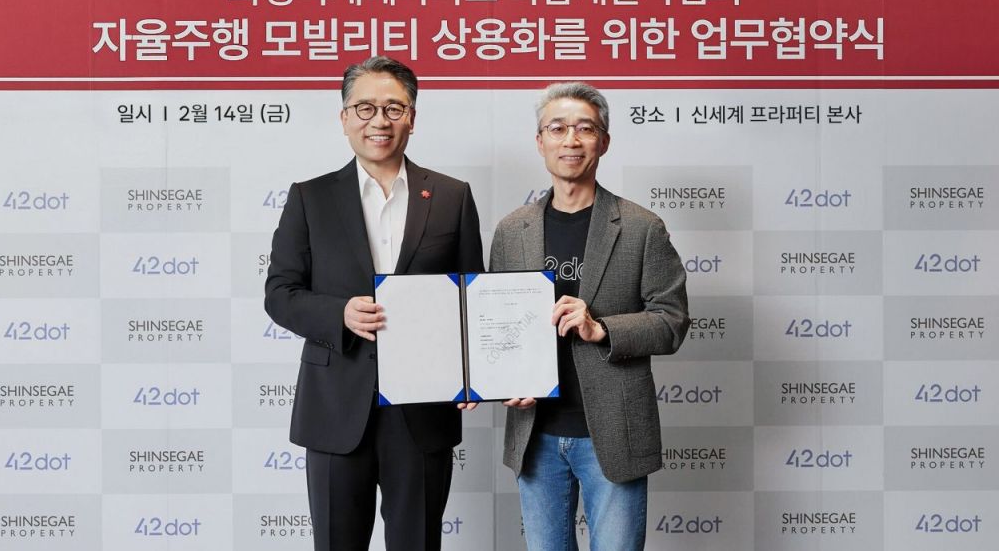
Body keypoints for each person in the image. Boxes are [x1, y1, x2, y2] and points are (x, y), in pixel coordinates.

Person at [264, 55, 484, 551]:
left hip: (424, 410)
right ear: (344, 118)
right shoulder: (310, 198)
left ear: (412, 118)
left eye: (393, 108)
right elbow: (280, 293)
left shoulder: (451, 196)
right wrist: (338, 314)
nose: (379, 121)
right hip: (336, 407)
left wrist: (474, 370)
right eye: (364, 108)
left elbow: (472, 296)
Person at [491, 82, 689, 551]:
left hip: (614, 432)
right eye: (557, 128)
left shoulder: (641, 227)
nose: (571, 140)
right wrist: (500, 379)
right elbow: (495, 322)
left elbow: (672, 320)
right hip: (536, 433)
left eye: (585, 129)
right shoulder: (512, 230)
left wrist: (600, 328)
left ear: (604, 141)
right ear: (540, 141)